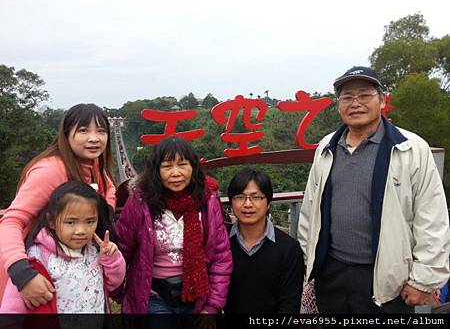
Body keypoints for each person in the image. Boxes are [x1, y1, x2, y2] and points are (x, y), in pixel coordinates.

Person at [298, 66, 450, 313]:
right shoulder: (327, 147)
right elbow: (310, 211)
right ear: (339, 104)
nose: (355, 103)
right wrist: (310, 262)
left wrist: (423, 279)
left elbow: (432, 218)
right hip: (332, 274)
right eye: (347, 97)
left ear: (382, 99)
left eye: (364, 95)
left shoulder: (410, 148)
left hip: (387, 280)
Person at [0, 103, 116, 309]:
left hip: (80, 275)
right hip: (39, 274)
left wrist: (103, 213)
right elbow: (11, 221)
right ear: (66, 134)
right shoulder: (51, 170)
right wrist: (22, 272)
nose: (94, 138)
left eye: (101, 131)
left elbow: (109, 189)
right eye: (83, 130)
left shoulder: (93, 164)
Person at [116, 136, 232, 324]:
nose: (176, 173)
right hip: (154, 297)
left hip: (197, 297)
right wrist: (122, 294)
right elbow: (123, 250)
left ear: (193, 168)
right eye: (167, 166)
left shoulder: (207, 201)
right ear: (156, 171)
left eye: (182, 164)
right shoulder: (141, 203)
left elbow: (221, 256)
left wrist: (212, 306)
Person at [0, 181, 125, 315]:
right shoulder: (36, 258)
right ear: (51, 221)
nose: (81, 230)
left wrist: (111, 259)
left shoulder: (94, 250)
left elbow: (114, 283)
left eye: (90, 221)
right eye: (71, 222)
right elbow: (12, 308)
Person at [224, 168, 303, 313]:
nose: (247, 204)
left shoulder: (289, 249)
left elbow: (289, 307)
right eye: (240, 197)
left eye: (256, 197)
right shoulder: (221, 243)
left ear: (268, 203)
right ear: (231, 202)